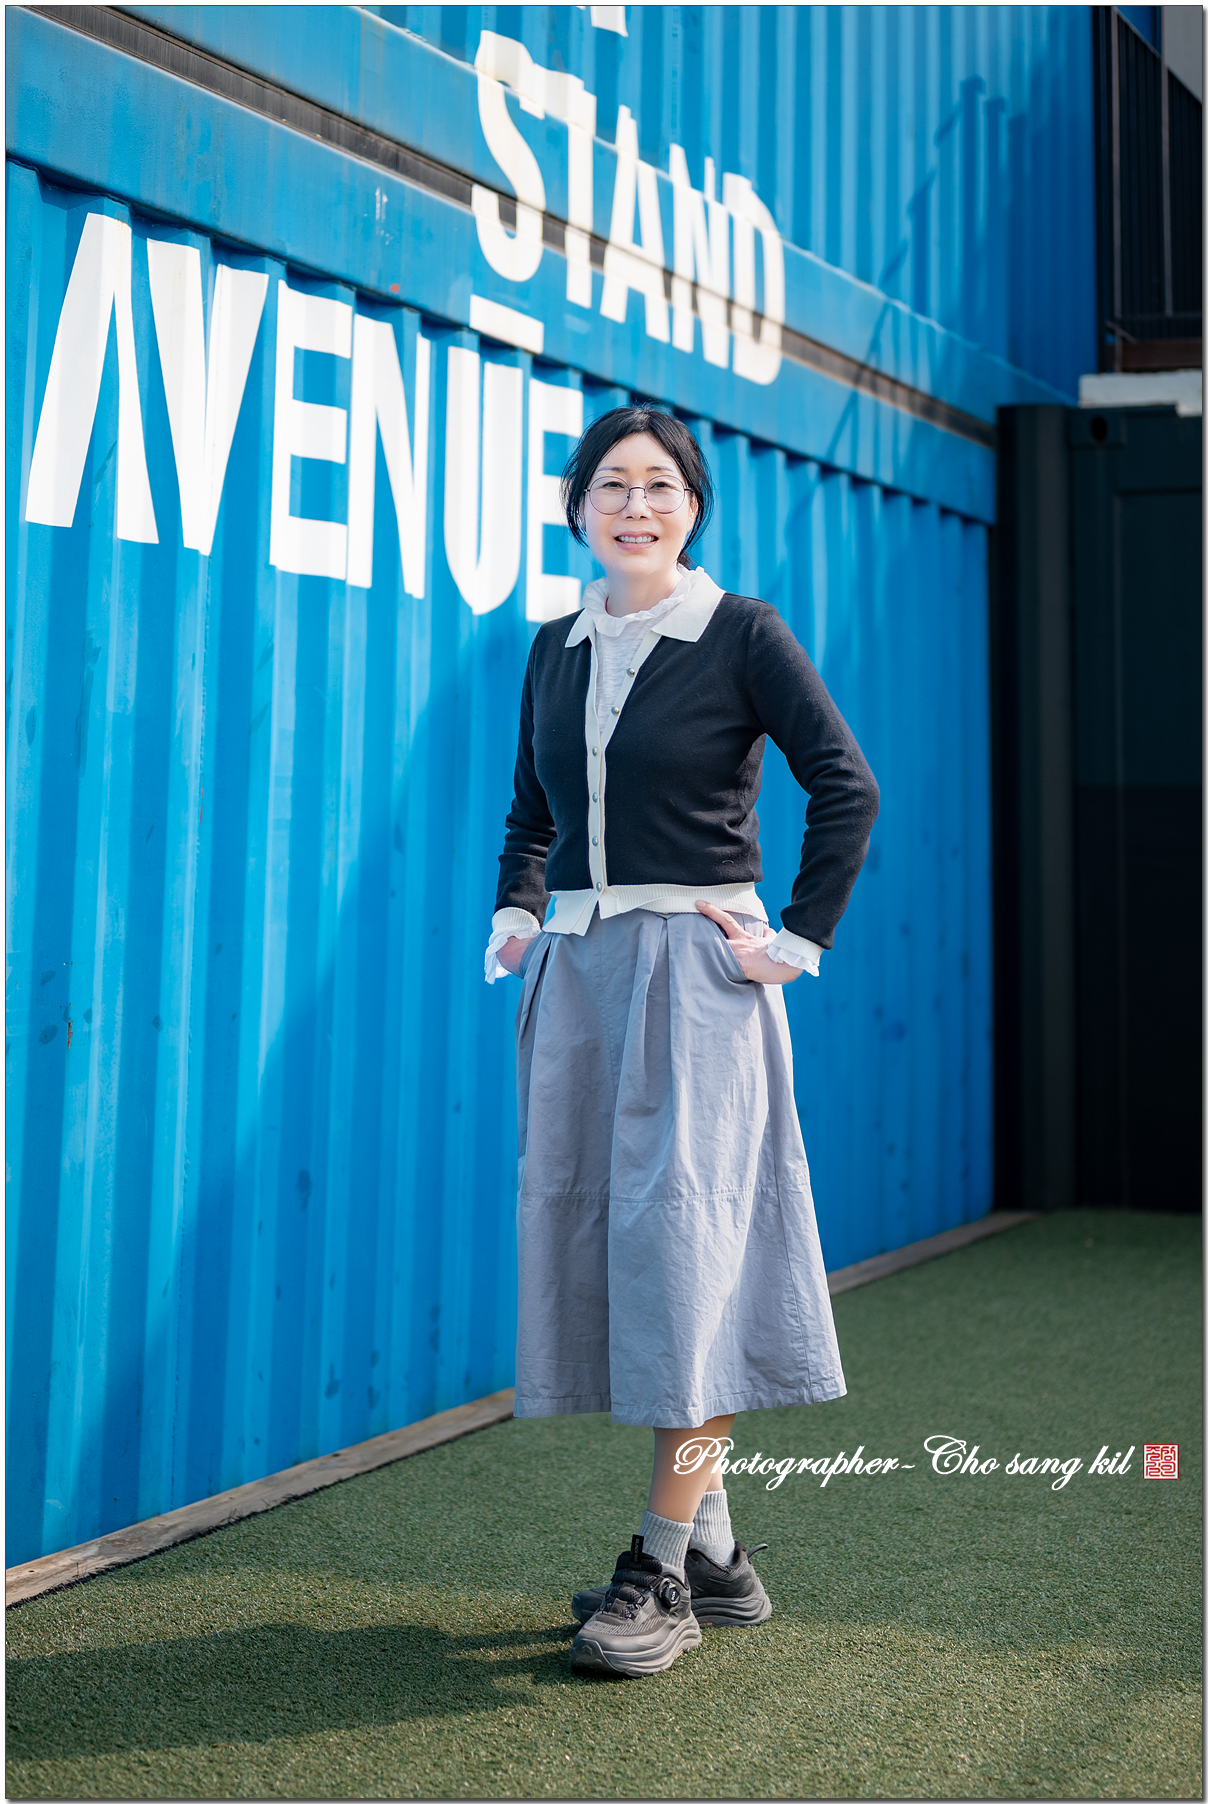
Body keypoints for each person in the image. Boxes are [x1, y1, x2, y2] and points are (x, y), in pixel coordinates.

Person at [484, 406, 879, 1678]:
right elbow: (531, 811)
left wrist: (795, 941)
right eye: (610, 485)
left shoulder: (740, 632)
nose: (634, 506)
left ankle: (659, 1564)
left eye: (658, 485)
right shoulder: (554, 646)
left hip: (698, 983)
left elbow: (845, 784)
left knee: (687, 1263)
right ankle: (713, 1550)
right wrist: (517, 910)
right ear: (578, 507)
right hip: (582, 979)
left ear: (692, 506)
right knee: (623, 1257)